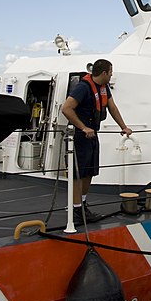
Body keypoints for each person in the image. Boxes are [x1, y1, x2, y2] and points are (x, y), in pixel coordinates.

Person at [62, 59, 132, 223]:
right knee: (78, 173)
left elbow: (112, 107)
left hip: (93, 135)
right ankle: (76, 209)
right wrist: (83, 127)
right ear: (104, 73)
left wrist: (124, 127)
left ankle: (82, 204)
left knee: (90, 172)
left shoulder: (104, 88)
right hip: (80, 137)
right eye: (111, 72)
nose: (112, 74)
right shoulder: (83, 88)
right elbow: (66, 108)